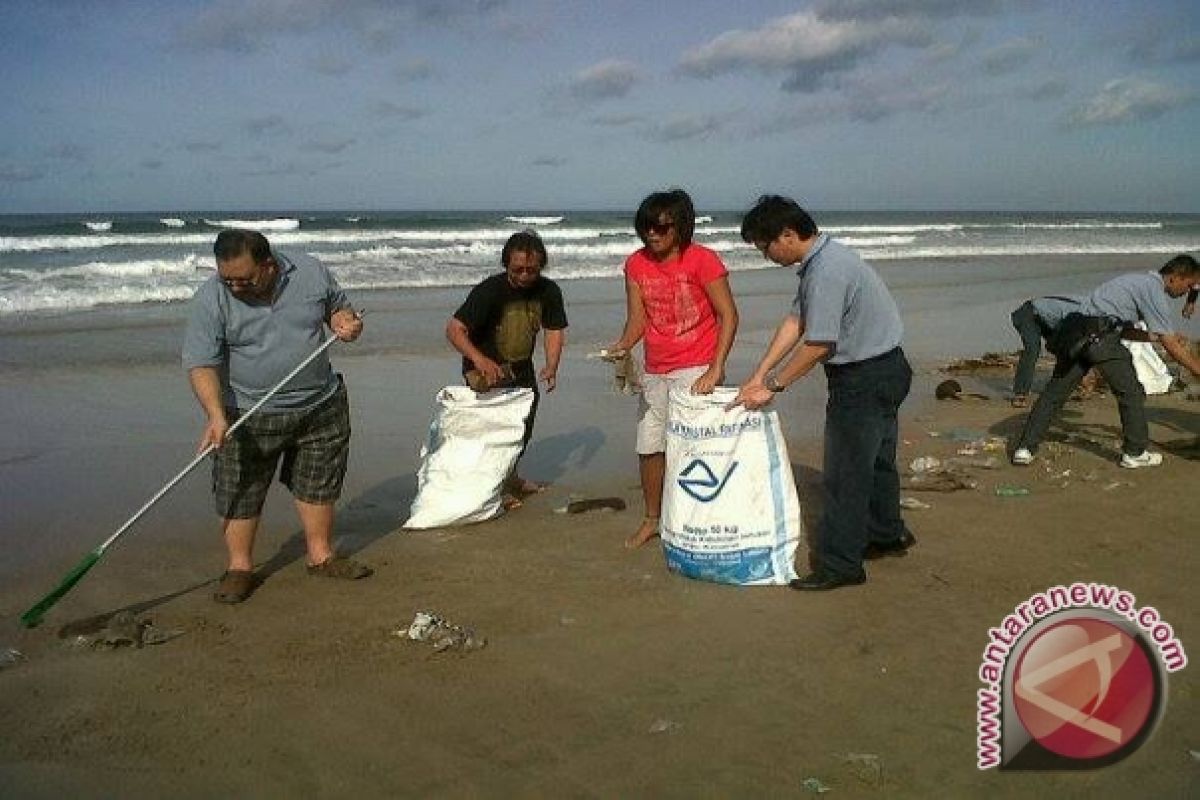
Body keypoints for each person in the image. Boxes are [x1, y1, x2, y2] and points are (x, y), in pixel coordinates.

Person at [730, 195, 913, 592]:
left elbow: (819, 344)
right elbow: (796, 321)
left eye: (765, 247)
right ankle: (887, 533)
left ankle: (842, 564)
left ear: (788, 234)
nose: (766, 256)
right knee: (878, 462)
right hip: (888, 368)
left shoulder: (827, 271)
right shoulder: (824, 260)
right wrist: (759, 373)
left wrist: (774, 386)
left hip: (863, 379)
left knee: (847, 475)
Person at [183, 229, 369, 604]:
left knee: (319, 481)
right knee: (240, 487)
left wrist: (345, 324)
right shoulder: (210, 298)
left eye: (244, 279)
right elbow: (201, 363)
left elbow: (338, 309)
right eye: (227, 279)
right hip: (247, 411)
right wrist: (215, 415)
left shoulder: (311, 272)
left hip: (320, 403)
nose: (235, 287)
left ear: (269, 265)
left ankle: (320, 556)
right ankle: (239, 568)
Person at [607, 189, 739, 549]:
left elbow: (728, 314)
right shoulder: (635, 264)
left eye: (662, 227)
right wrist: (621, 347)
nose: (653, 233)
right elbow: (637, 320)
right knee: (650, 446)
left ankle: (694, 519)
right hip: (655, 369)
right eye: (647, 226)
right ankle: (653, 519)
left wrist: (716, 368)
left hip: (696, 367)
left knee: (692, 448)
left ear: (680, 227)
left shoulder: (704, 261)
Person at [1013, 254, 1200, 468]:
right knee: (1131, 392)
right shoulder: (1153, 289)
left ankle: (1025, 448)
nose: (1188, 291)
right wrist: (1196, 368)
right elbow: (1171, 346)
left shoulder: (1134, 281)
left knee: (1054, 394)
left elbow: (1120, 328)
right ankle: (1135, 452)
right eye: (1188, 285)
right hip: (1100, 338)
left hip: (1076, 333)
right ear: (1175, 277)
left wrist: (1153, 337)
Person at [446, 229, 567, 505]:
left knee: (522, 427)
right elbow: (454, 330)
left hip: (521, 368)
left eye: (531, 270)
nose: (524, 276)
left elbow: (554, 329)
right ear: (506, 265)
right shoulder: (489, 291)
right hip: (483, 370)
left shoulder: (549, 291)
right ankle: (494, 489)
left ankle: (509, 477)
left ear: (541, 266)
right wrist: (479, 359)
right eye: (518, 270)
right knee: (494, 431)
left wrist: (552, 365)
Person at [1009, 295, 1083, 407]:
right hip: (1027, 313)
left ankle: (1062, 388)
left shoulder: (1087, 311)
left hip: (1046, 319)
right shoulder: (1077, 314)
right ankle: (1020, 393)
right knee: (1033, 349)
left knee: (1066, 351)